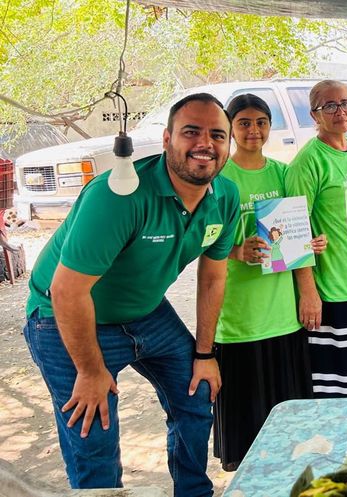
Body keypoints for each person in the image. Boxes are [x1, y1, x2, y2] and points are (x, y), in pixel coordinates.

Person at [23, 93, 238, 495]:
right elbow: (67, 291)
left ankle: (194, 492)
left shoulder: (225, 197)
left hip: (146, 313)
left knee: (197, 394)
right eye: (191, 132)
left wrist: (205, 354)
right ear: (167, 140)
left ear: (229, 144)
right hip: (63, 316)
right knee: (93, 434)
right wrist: (90, 372)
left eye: (217, 134)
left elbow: (213, 277)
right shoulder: (117, 196)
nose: (205, 143)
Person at [213, 93, 326, 471]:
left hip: (283, 315)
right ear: (230, 128)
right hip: (240, 318)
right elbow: (201, 240)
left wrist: (310, 246)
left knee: (291, 430)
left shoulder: (283, 173)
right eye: (244, 123)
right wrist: (236, 251)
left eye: (261, 122)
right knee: (248, 433)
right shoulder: (219, 179)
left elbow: (293, 236)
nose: (254, 130)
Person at [285, 80, 347, 397]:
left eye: (346, 103)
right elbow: (291, 231)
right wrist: (308, 293)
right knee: (338, 389)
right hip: (332, 292)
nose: (340, 111)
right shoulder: (308, 162)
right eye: (329, 105)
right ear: (314, 115)